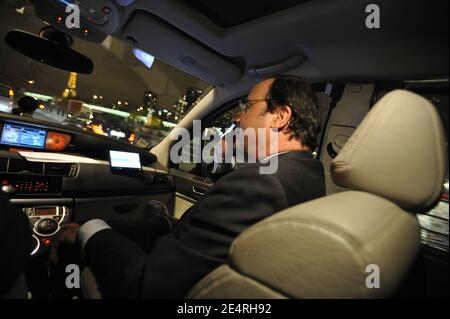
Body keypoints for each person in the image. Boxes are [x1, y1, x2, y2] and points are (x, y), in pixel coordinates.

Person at [51, 75, 326, 298]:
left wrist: (89, 230)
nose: (236, 118)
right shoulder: (308, 174)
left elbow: (145, 286)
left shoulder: (259, 183)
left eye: (247, 106)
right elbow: (212, 236)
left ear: (280, 116)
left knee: (74, 244)